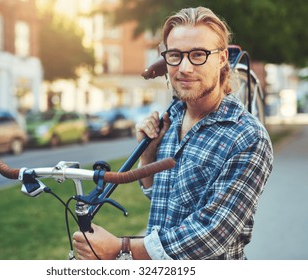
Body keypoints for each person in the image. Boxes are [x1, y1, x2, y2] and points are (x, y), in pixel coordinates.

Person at [73, 6, 273, 260]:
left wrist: (122, 247)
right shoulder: (172, 118)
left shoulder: (246, 136)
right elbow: (164, 200)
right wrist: (148, 156)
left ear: (222, 59)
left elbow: (212, 234)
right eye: (175, 56)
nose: (185, 68)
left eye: (198, 55)